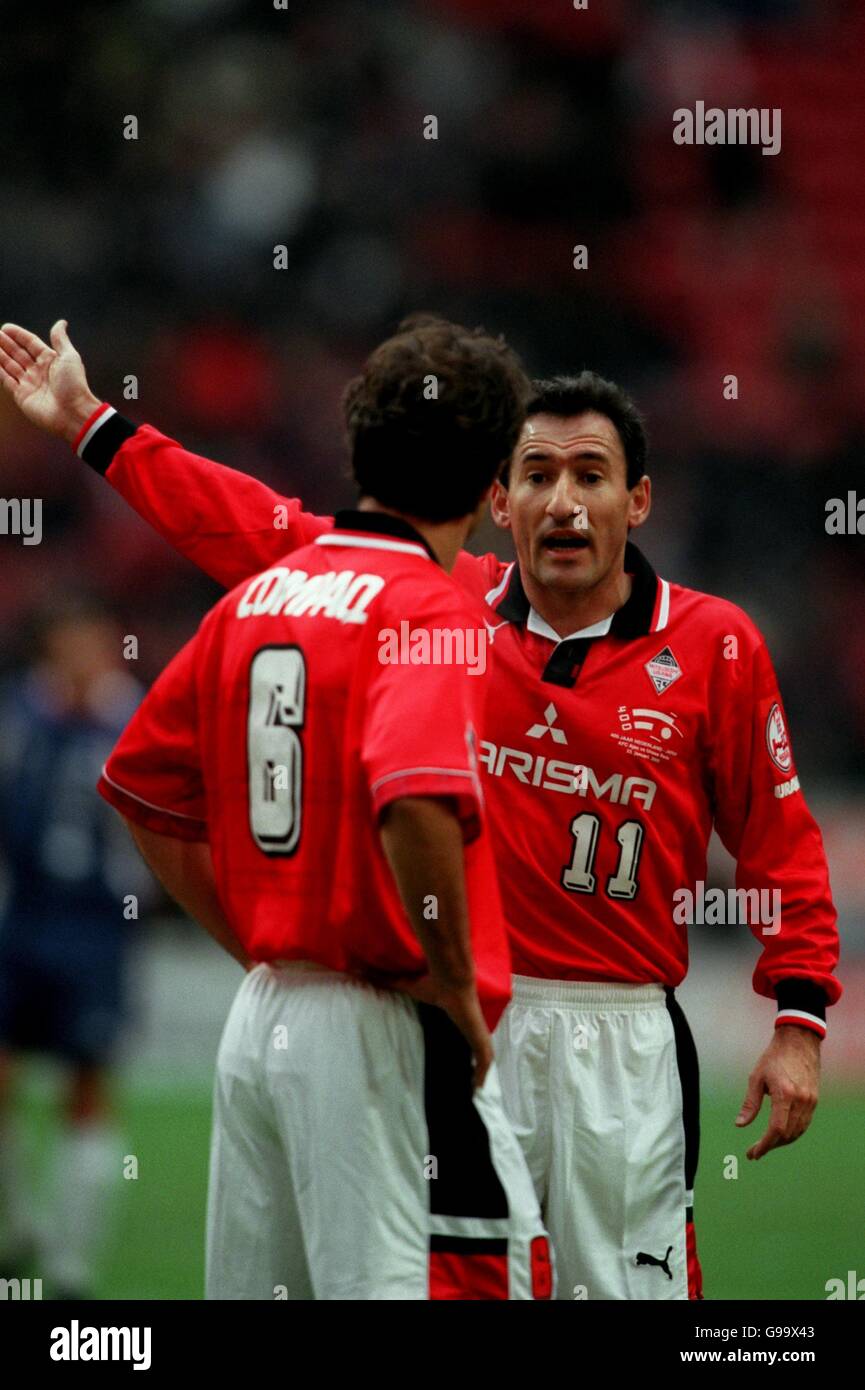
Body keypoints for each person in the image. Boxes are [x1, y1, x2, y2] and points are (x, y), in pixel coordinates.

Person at [0, 319, 840, 1300]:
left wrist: (797, 1018)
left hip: (617, 1036)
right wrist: (95, 426)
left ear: (637, 499)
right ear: (498, 496)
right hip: (447, 1024)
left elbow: (780, 842)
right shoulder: (444, 602)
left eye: (590, 474)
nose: (562, 500)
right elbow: (261, 532)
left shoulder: (712, 644)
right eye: (535, 474)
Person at [62, 316, 550, 1299]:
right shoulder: (435, 610)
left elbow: (144, 792)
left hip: (263, 1022)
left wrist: (260, 940)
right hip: (387, 1016)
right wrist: (450, 978)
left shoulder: (262, 595)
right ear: (493, 484)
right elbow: (415, 802)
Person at [0, 602, 150, 1297]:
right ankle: (19, 1223)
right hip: (21, 919)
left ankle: (70, 1264)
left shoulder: (133, 719)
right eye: (69, 646)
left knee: (86, 1085)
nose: (83, 660)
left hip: (98, 930)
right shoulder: (20, 718)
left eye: (92, 645)